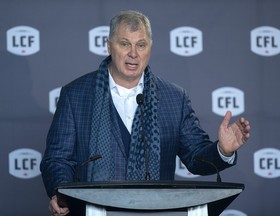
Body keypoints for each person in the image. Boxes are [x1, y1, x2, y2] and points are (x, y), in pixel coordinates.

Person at [40, 10, 251, 216]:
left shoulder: (174, 98)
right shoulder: (76, 94)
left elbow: (196, 156)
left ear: (150, 47)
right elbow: (57, 159)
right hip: (91, 210)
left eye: (141, 45)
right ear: (109, 45)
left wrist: (222, 150)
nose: (133, 53)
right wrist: (62, 193)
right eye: (125, 44)